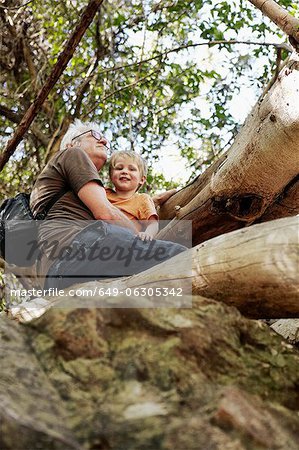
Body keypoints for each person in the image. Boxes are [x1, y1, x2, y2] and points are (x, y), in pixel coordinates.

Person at [29, 119, 186, 290]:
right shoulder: (73, 154)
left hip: (55, 275)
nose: (103, 140)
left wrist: (148, 202)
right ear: (72, 144)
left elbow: (114, 206)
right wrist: (142, 238)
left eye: (104, 138)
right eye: (95, 135)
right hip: (78, 252)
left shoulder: (69, 185)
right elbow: (106, 213)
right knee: (182, 257)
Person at [106, 150, 158, 241]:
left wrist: (147, 234)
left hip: (128, 240)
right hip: (103, 235)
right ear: (110, 177)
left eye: (132, 169)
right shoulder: (104, 193)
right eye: (119, 168)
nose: (124, 171)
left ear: (142, 179)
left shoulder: (142, 199)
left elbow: (153, 224)